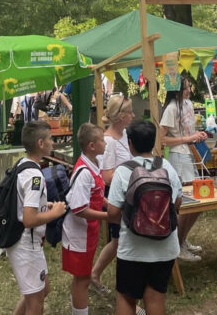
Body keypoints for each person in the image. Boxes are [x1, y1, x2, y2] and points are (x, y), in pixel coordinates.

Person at [107, 120, 182, 315]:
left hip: (133, 248)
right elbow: (177, 203)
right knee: (155, 297)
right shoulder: (167, 167)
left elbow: (112, 213)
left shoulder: (123, 171)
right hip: (165, 247)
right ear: (154, 141)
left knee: (126, 297)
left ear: (130, 143)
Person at [9, 120, 66, 315]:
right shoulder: (35, 176)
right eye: (50, 139)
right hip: (27, 243)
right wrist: (54, 213)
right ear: (40, 143)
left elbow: (24, 201)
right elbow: (29, 219)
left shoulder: (22, 164)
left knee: (42, 289)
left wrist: (43, 205)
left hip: (25, 241)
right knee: (36, 303)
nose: (53, 142)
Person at [160, 77, 207, 262]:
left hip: (190, 154)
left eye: (188, 87)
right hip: (178, 157)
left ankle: (182, 239)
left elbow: (189, 132)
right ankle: (177, 245)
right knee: (188, 203)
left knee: (197, 202)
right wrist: (187, 139)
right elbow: (162, 139)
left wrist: (197, 135)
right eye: (185, 88)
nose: (188, 90)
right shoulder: (171, 108)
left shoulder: (188, 104)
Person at [62, 123, 108, 315]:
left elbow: (96, 194)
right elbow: (79, 208)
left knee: (84, 276)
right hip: (79, 234)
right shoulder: (84, 173)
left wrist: (109, 204)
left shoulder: (94, 164)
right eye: (102, 140)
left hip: (89, 231)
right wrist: (108, 216)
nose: (105, 143)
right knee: (82, 279)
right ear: (92, 146)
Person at [91, 94, 135, 293]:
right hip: (117, 194)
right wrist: (132, 172)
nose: (133, 115)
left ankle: (95, 274)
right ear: (121, 116)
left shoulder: (125, 135)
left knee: (119, 239)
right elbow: (107, 176)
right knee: (119, 239)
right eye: (130, 112)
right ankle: (96, 274)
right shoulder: (108, 142)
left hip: (130, 190)